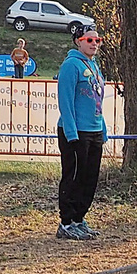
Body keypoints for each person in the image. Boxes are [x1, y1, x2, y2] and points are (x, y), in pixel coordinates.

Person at [56, 26, 107, 241]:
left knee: (90, 178)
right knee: (74, 177)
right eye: (89, 40)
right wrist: (71, 132)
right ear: (78, 41)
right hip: (76, 131)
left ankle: (79, 218)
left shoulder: (94, 66)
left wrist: (102, 128)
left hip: (94, 130)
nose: (94, 43)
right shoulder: (71, 65)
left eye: (98, 40)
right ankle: (66, 222)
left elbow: (97, 100)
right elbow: (65, 101)